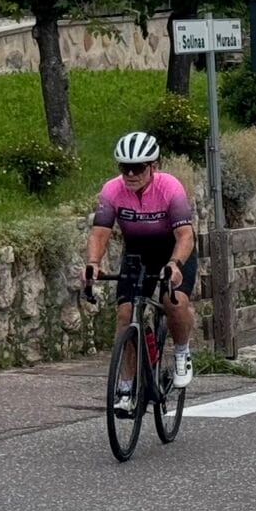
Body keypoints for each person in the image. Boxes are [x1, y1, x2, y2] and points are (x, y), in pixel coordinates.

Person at [83, 131, 197, 412]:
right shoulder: (111, 190)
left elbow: (185, 235)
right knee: (125, 315)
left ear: (154, 166)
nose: (131, 174)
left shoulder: (170, 187)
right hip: (138, 254)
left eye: (138, 167)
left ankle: (182, 352)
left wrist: (175, 264)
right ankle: (126, 387)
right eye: (125, 168)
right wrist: (93, 264)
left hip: (173, 251)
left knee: (175, 301)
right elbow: (99, 234)